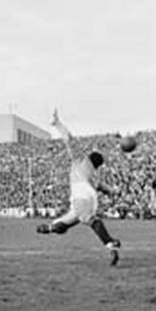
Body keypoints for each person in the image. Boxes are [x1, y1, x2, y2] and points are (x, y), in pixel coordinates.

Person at [36, 110, 121, 265]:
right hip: (83, 197)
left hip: (81, 195)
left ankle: (111, 245)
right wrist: (113, 191)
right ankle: (49, 228)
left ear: (89, 157)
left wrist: (58, 124)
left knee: (91, 220)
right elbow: (103, 187)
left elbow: (68, 139)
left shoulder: (80, 162)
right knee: (62, 224)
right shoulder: (93, 174)